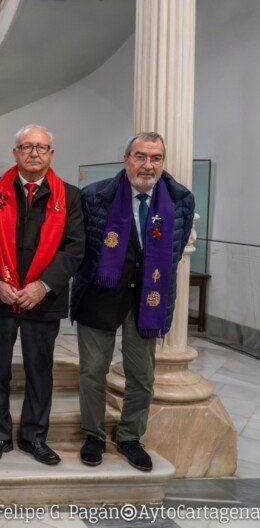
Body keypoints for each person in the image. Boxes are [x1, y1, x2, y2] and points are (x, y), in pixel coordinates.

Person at [71, 132, 194, 472]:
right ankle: (93, 435)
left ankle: (129, 436)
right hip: (100, 293)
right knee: (92, 371)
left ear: (162, 162)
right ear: (126, 159)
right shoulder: (94, 195)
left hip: (148, 299)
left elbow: (174, 251)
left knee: (141, 375)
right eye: (140, 156)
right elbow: (82, 247)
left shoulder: (180, 200)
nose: (148, 165)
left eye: (155, 158)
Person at [0, 125, 84, 466]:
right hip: (0, 296)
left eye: (41, 147)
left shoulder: (70, 195)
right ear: (15, 153)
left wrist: (43, 285)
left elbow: (75, 247)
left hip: (44, 299)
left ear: (52, 154)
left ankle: (35, 437)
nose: (34, 153)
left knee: (40, 370)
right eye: (26, 146)